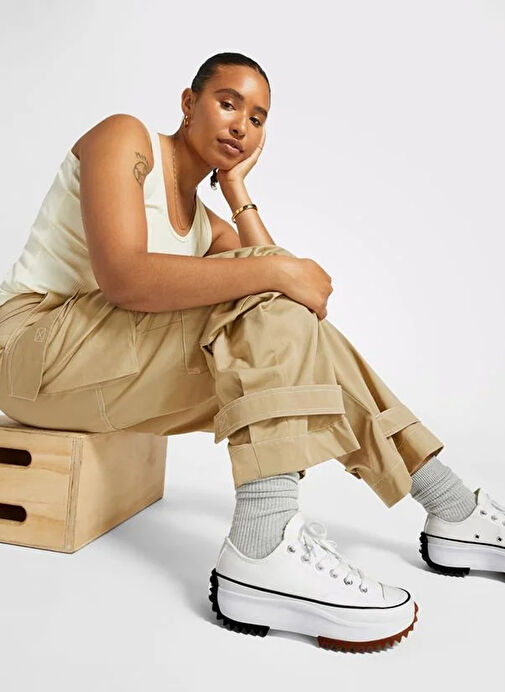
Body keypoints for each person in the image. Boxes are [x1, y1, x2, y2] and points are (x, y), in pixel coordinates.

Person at [0, 52, 503, 654]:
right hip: (28, 349)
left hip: (99, 371)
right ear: (188, 103)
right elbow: (124, 278)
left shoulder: (207, 227)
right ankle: (263, 547)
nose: (242, 125)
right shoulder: (126, 139)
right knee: (262, 294)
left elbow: (296, 311)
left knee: (276, 320)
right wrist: (276, 273)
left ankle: (449, 508)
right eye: (228, 103)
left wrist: (238, 191)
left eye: (258, 118)